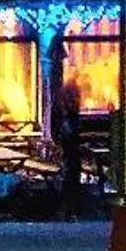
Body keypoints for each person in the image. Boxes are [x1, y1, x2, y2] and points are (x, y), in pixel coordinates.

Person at [53, 75, 85, 206]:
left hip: (67, 143)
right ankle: (72, 200)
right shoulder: (69, 111)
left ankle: (68, 200)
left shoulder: (60, 107)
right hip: (70, 144)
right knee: (72, 169)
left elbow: (57, 127)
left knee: (69, 169)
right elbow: (71, 128)